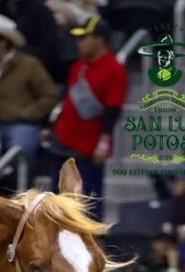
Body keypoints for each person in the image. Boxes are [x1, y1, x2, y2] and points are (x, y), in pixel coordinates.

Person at [51, 16, 128, 219]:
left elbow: (113, 110)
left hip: (87, 147)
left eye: (85, 37)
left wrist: (103, 144)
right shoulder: (79, 66)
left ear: (100, 39)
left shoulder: (115, 69)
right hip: (64, 139)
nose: (79, 42)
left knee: (89, 201)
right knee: (57, 196)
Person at [0, 14, 59, 159]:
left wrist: (28, 113)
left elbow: (50, 96)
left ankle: (18, 179)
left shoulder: (30, 65)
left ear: (4, 41)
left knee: (21, 147)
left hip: (21, 124)